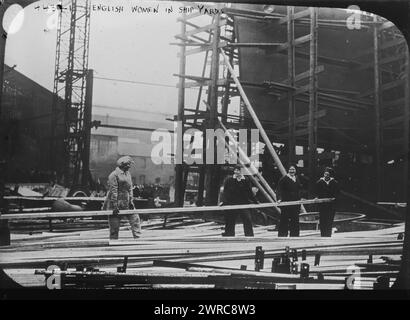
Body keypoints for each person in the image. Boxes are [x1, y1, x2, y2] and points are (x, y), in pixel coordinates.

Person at [103, 156, 141, 240]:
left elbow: (130, 188)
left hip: (126, 201)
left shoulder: (128, 174)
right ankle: (113, 244)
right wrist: (115, 205)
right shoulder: (113, 175)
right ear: (123, 165)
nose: (130, 166)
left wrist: (131, 201)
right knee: (114, 227)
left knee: (135, 219)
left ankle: (138, 240)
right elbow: (114, 191)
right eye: (128, 164)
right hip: (115, 202)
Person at [220, 164, 258, 237]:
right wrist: (224, 202)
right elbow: (225, 192)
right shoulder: (229, 180)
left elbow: (249, 192)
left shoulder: (245, 180)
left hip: (243, 203)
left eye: (238, 170)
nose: (236, 172)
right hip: (232, 203)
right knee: (230, 220)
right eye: (235, 170)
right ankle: (229, 235)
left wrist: (256, 201)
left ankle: (249, 235)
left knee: (247, 219)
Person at [277, 165, 302, 237]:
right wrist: (279, 198)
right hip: (286, 203)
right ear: (288, 170)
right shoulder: (284, 179)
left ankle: (295, 235)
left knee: (295, 220)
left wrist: (300, 198)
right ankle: (282, 235)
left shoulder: (297, 178)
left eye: (293, 169)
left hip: (295, 203)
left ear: (295, 170)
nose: (292, 171)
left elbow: (299, 189)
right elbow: (279, 190)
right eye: (290, 169)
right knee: (284, 220)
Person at [315, 167, 340, 237]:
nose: (326, 176)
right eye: (325, 174)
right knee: (323, 220)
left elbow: (337, 193)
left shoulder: (334, 183)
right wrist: (316, 197)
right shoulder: (319, 182)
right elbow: (316, 192)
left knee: (329, 220)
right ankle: (323, 234)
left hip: (331, 205)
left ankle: (328, 234)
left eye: (328, 174)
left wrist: (334, 198)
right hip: (322, 205)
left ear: (330, 175)